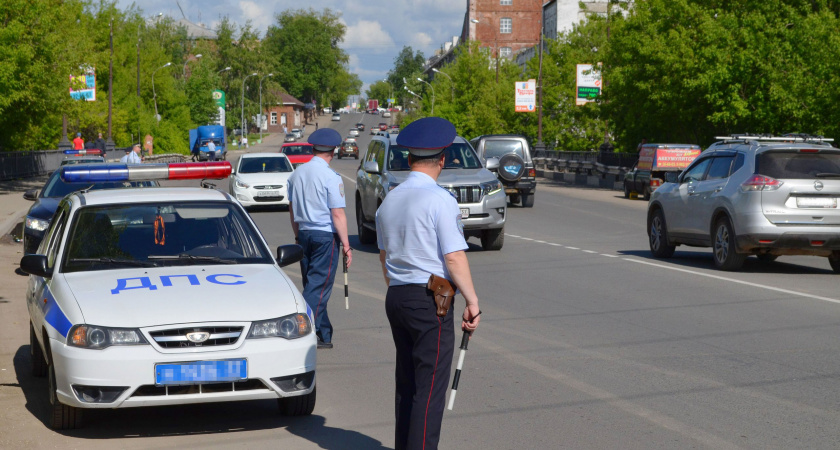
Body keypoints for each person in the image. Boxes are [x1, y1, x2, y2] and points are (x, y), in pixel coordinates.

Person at [375, 117, 481, 450]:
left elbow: (384, 258)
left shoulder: (389, 200)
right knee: (430, 388)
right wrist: (472, 301)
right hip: (429, 298)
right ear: (443, 158)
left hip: (397, 295)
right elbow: (454, 258)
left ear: (409, 160)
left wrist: (401, 287)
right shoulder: (440, 200)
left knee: (407, 385)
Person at [287, 128, 352, 349]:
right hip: (325, 235)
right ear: (333, 151)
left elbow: (292, 210)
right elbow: (337, 214)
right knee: (318, 288)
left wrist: (297, 235)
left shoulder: (296, 174)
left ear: (313, 149)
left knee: (313, 285)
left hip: (304, 233)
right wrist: (346, 245)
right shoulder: (331, 177)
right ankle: (301, 331)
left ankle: (324, 334)